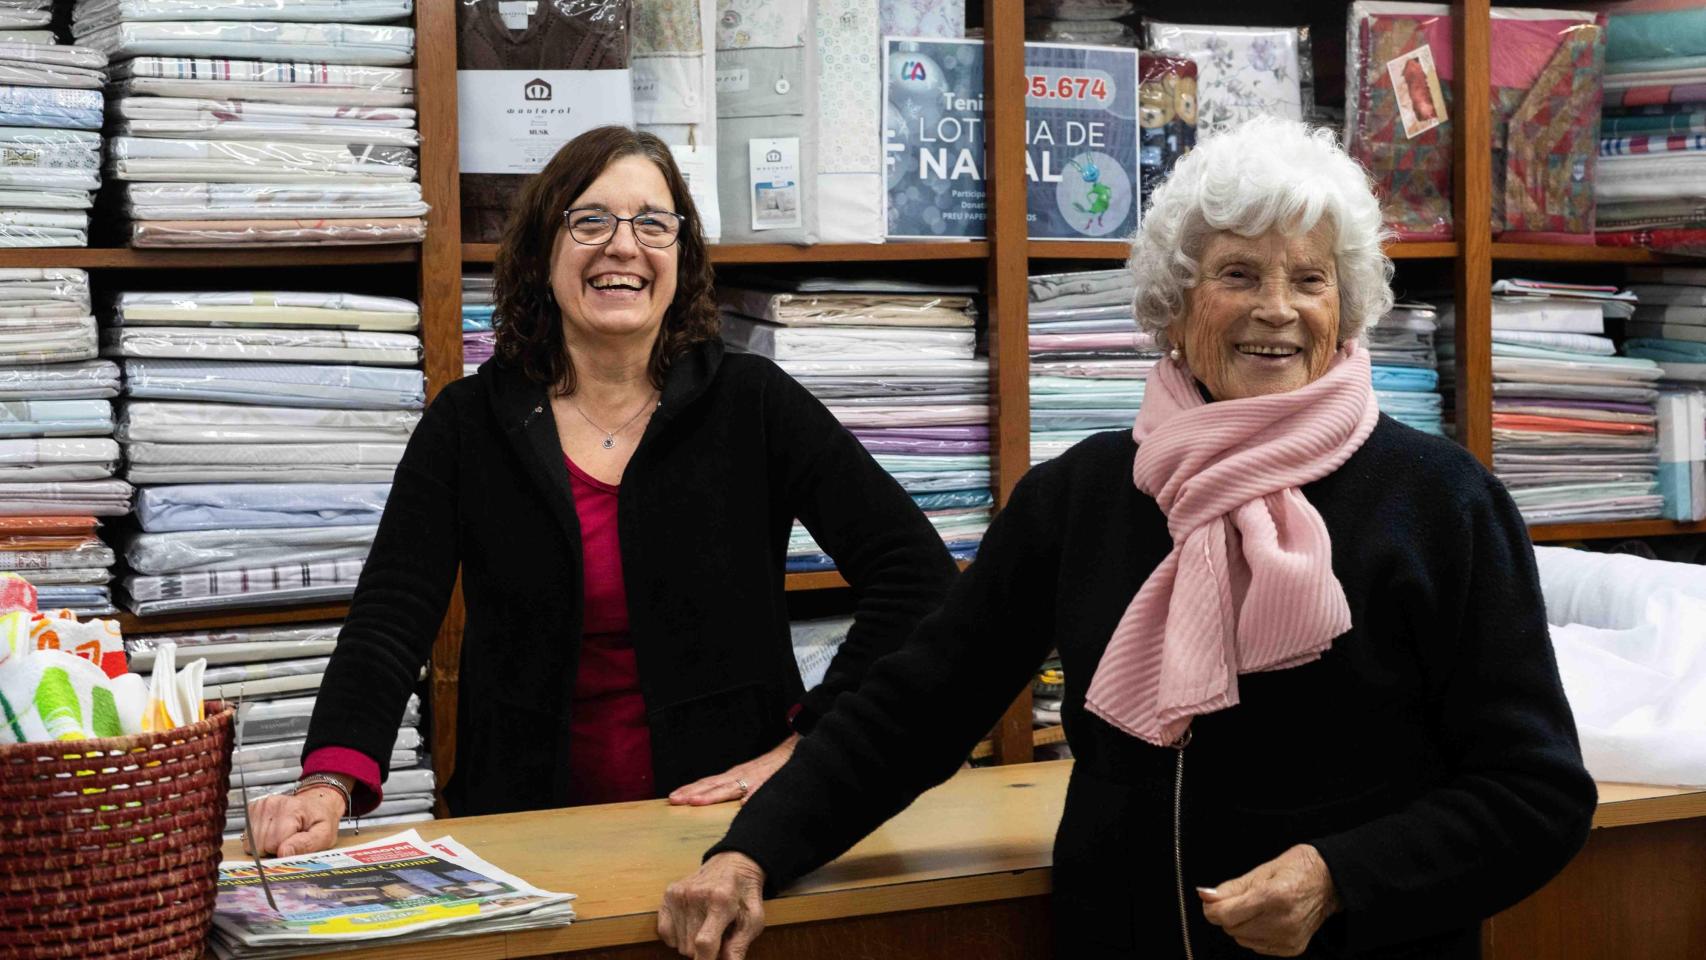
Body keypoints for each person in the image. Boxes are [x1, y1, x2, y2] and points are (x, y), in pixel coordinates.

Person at [659, 118, 1597, 960]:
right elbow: (917, 709)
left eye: (1309, 279)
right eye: (1238, 274)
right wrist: (752, 851)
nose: (1278, 308)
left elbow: (1535, 793)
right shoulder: (1084, 494)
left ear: (1345, 309)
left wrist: (1340, 876)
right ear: (1176, 307)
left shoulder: (1443, 503)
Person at [244, 126, 959, 857]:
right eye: (590, 220)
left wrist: (811, 743)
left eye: (653, 223)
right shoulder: (468, 423)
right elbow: (391, 617)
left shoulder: (754, 404)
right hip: (522, 834)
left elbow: (917, 577)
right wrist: (326, 781)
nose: (623, 246)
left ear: (681, 257)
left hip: (726, 832)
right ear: (541, 255)